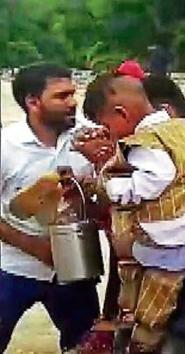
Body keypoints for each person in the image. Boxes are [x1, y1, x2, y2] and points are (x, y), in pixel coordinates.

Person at [84, 74, 185, 353]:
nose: (111, 135)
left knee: (153, 314)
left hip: (170, 237)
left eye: (107, 126)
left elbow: (155, 178)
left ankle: (144, 337)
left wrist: (114, 186)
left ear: (121, 113)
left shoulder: (144, 143)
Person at [0, 64, 100, 352]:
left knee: (86, 345)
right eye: (62, 96)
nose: (73, 102)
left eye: (73, 93)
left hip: (75, 266)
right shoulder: (7, 147)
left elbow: (110, 200)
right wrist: (35, 247)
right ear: (33, 102)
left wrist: (93, 183)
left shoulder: (91, 139)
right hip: (14, 268)